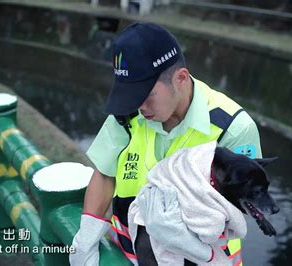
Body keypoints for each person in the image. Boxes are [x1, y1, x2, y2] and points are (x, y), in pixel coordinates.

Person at [70, 22, 262, 266]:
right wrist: (87, 236)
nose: (139, 107)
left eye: (147, 97)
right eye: (131, 96)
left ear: (180, 78)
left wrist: (183, 227)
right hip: (130, 257)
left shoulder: (233, 129)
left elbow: (243, 209)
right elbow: (105, 174)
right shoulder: (127, 115)